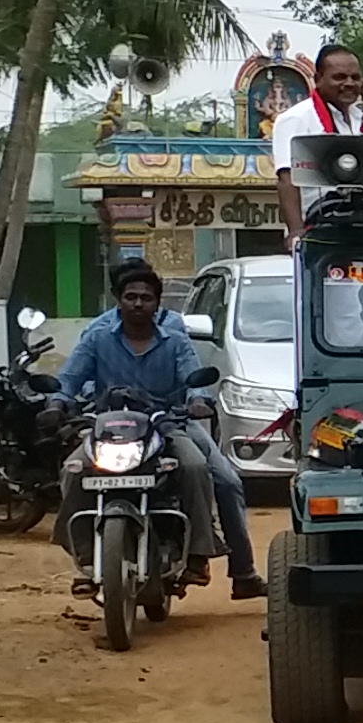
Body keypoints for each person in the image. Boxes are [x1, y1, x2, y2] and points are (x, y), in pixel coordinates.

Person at [56, 258, 260, 602]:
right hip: (111, 426)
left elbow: (193, 379)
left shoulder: (175, 339)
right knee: (72, 470)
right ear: (117, 298)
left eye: (145, 297)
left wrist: (197, 400)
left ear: (157, 302)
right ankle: (86, 557)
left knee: (199, 468)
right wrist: (56, 402)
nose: (137, 304)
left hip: (167, 423)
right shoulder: (97, 337)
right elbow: (69, 378)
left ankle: (201, 554)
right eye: (130, 296)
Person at [269, 42, 363, 238]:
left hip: (357, 224)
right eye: (339, 77)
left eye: (355, 77)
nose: (349, 83)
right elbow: (287, 180)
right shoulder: (296, 118)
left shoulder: (360, 118)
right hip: (316, 228)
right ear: (318, 79)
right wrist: (296, 232)